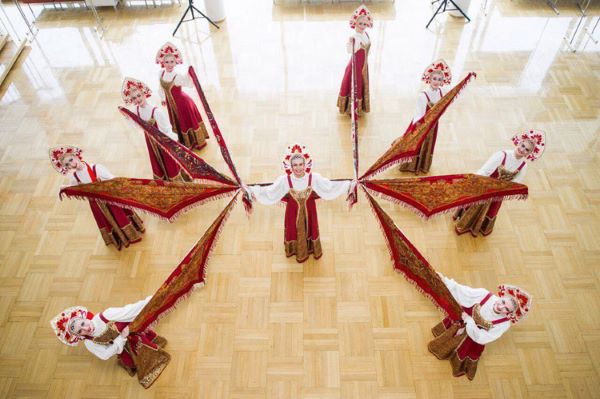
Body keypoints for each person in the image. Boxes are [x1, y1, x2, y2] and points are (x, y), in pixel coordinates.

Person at [249, 144, 354, 263]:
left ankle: (310, 248)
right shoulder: (285, 180)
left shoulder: (313, 178)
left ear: (305, 164)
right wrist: (253, 191)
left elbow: (329, 187)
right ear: (290, 166)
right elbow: (270, 192)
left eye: (300, 164)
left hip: (310, 211)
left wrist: (348, 184)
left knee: (310, 228)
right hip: (292, 213)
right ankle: (294, 249)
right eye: (295, 165)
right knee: (293, 230)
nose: (298, 168)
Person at [428, 273, 532, 380]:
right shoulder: (484, 294)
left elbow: (482, 338)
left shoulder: (504, 324)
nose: (501, 307)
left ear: (510, 313)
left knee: (464, 350)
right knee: (448, 341)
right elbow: (462, 291)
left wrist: (469, 321)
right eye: (503, 302)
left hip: (473, 340)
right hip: (460, 323)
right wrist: (445, 281)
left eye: (506, 309)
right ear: (502, 296)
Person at [50, 297, 170, 388]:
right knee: (131, 361)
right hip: (122, 348)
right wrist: (121, 338)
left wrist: (153, 298)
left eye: (82, 323)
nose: (85, 329)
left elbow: (131, 310)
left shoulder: (106, 315)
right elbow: (105, 355)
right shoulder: (89, 343)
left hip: (135, 336)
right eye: (80, 331)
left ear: (84, 317)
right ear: (78, 336)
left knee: (144, 347)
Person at [49, 145, 145, 250]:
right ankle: (119, 237)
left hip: (109, 198)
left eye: (71, 160)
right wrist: (65, 187)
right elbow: (76, 187)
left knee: (119, 215)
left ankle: (131, 234)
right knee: (107, 220)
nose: (72, 164)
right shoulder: (75, 177)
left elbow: (111, 179)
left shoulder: (96, 168)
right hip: (96, 204)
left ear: (76, 156)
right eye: (67, 164)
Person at [454, 130, 546, 236]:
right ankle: (465, 222)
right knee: (475, 204)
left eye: (526, 149)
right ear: (519, 142)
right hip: (485, 187)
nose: (522, 149)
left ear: (529, 153)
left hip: (498, 193)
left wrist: (504, 189)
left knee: (491, 209)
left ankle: (478, 227)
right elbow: (485, 170)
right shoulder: (502, 155)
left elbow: (516, 182)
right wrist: (475, 179)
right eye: (522, 145)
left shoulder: (523, 166)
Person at [121, 77, 190, 182]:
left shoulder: (156, 111)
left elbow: (166, 129)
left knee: (169, 161)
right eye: (134, 98)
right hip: (151, 141)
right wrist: (127, 116)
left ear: (144, 93)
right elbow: (136, 125)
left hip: (163, 141)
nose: (137, 99)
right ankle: (165, 179)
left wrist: (172, 143)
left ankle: (176, 180)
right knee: (158, 161)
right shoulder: (136, 110)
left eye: (139, 95)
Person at [398, 59, 452, 174]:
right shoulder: (423, 95)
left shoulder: (442, 92)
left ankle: (423, 164)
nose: (436, 82)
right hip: (422, 124)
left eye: (439, 79)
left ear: (443, 81)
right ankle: (411, 164)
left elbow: (452, 96)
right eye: (434, 79)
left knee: (428, 144)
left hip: (433, 125)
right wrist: (419, 127)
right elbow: (419, 113)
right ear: (429, 79)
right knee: (418, 143)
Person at [156, 41, 209, 151]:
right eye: (167, 62)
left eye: (172, 62)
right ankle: (184, 141)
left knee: (185, 121)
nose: (169, 64)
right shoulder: (160, 73)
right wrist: (162, 98)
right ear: (163, 63)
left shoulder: (177, 76)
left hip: (183, 104)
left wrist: (189, 74)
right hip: (171, 104)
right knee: (177, 121)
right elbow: (160, 88)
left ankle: (194, 142)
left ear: (176, 62)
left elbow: (188, 83)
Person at [337, 5, 372, 117]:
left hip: (363, 65)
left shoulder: (365, 34)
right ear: (355, 23)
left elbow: (366, 48)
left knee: (360, 84)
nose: (362, 26)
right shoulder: (356, 37)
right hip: (356, 67)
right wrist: (350, 42)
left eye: (364, 24)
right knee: (355, 85)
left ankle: (358, 107)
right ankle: (352, 109)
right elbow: (349, 50)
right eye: (360, 23)